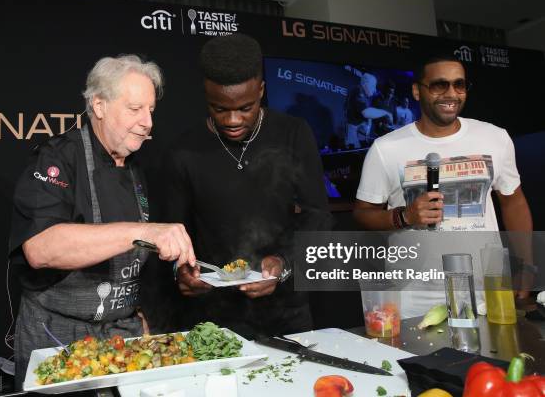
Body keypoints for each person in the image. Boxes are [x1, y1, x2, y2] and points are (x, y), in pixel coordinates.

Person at [8, 55, 196, 387]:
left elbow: (136, 259)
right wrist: (144, 231)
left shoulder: (137, 163)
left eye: (151, 110)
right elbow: (40, 248)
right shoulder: (58, 157)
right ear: (99, 106)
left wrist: (142, 317)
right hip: (58, 337)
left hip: (122, 336)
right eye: (135, 109)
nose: (148, 122)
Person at [162, 34, 332, 338]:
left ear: (262, 91)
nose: (232, 120)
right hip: (213, 317)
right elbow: (173, 230)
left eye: (245, 108)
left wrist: (283, 263)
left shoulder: (293, 133)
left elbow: (317, 215)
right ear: (205, 95)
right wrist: (180, 271)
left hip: (287, 311)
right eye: (219, 108)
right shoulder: (183, 151)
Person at [353, 54, 533, 317]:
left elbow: (513, 200)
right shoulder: (386, 149)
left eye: (459, 85)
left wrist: (527, 266)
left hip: (487, 292)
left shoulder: (495, 138)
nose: (452, 93)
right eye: (440, 85)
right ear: (417, 91)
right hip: (415, 297)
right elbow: (362, 213)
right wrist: (406, 216)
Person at [344, 72, 393, 149]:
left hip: (358, 133)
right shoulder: (358, 90)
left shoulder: (365, 95)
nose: (374, 90)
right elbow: (365, 113)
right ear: (366, 84)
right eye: (373, 86)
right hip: (353, 134)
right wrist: (385, 113)